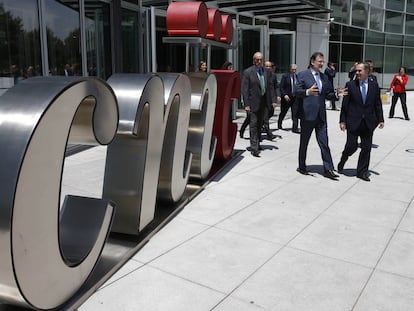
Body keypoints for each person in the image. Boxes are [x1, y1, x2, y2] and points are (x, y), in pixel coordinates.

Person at [295, 51, 346, 179]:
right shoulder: (302, 75)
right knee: (304, 142)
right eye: (320, 61)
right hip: (308, 116)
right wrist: (307, 91)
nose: (322, 64)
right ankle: (302, 166)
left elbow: (327, 94)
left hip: (321, 116)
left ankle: (328, 169)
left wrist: (335, 95)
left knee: (324, 142)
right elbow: (296, 91)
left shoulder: (324, 77)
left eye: (323, 61)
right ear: (312, 62)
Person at [338, 62, 384, 182]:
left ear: (367, 72)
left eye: (360, 71)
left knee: (366, 148)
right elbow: (345, 105)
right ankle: (343, 158)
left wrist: (380, 119)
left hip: (368, 122)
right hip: (353, 121)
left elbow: (377, 104)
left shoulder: (374, 86)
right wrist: (342, 120)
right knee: (351, 146)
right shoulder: (350, 85)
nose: (357, 73)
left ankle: (362, 172)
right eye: (356, 71)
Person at [241, 52, 277, 157]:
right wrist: (246, 104)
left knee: (259, 124)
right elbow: (245, 90)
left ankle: (257, 143)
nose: (259, 61)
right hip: (253, 103)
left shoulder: (266, 72)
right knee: (253, 124)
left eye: (261, 59)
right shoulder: (248, 72)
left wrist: (273, 100)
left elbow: (270, 87)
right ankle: (254, 148)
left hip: (264, 103)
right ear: (253, 60)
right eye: (257, 59)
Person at [278, 64, 300, 133]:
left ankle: (295, 128)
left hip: (294, 98)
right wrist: (284, 95)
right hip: (286, 98)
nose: (294, 71)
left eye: (295, 70)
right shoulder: (285, 76)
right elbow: (281, 87)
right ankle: (279, 124)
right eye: (293, 69)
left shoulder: (297, 77)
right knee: (283, 112)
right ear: (290, 69)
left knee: (295, 113)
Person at [263, 60, 281, 139]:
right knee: (266, 117)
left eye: (269, 66)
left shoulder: (273, 76)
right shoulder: (261, 75)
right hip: (263, 100)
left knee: (271, 113)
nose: (268, 67)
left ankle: (261, 124)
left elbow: (276, 87)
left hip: (271, 99)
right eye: (266, 66)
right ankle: (269, 134)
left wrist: (278, 95)